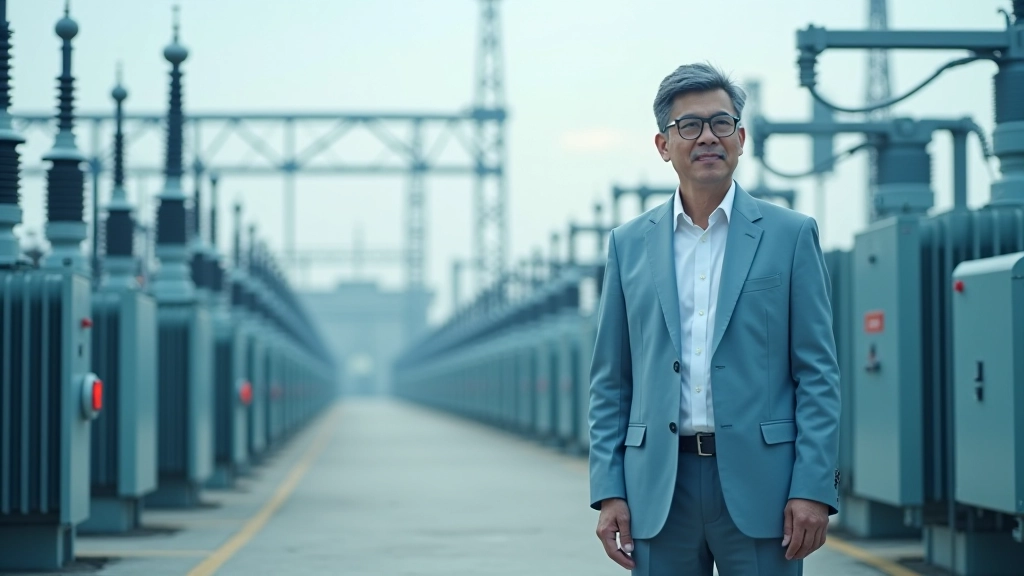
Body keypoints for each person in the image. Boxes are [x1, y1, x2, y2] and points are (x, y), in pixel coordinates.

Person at [588, 62, 841, 575]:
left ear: (741, 138)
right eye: (689, 126)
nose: (708, 137)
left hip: (763, 487)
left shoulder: (790, 235)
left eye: (721, 123)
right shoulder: (628, 244)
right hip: (659, 488)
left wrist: (813, 487)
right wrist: (608, 489)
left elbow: (817, 373)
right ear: (663, 145)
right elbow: (611, 382)